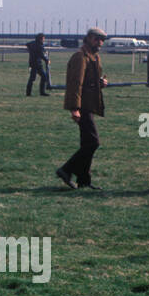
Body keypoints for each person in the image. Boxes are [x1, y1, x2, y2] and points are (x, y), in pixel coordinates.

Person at [56, 27, 108, 190]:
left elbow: (89, 81)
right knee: (93, 142)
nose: (100, 43)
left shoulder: (94, 57)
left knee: (87, 143)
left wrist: (101, 83)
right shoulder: (80, 57)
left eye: (102, 40)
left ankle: (84, 180)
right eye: (97, 39)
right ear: (89, 39)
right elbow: (75, 84)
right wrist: (74, 108)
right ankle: (66, 170)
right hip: (82, 106)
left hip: (89, 105)